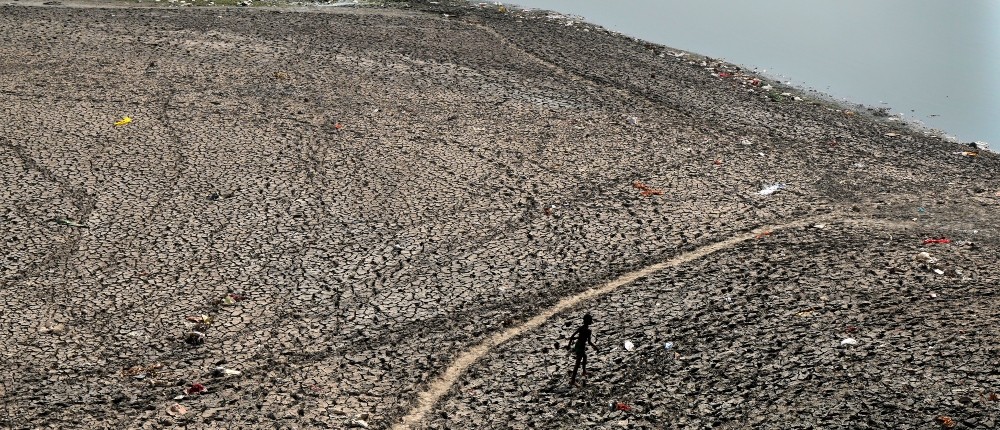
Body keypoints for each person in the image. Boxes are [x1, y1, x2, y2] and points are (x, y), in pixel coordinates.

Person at [567, 313, 599, 385]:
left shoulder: (581, 328)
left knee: (584, 356)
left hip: (578, 345)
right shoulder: (588, 331)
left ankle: (584, 371)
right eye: (590, 320)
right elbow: (589, 342)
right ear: (588, 321)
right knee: (577, 363)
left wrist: (569, 344)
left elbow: (573, 336)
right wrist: (596, 347)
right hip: (581, 346)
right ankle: (573, 380)